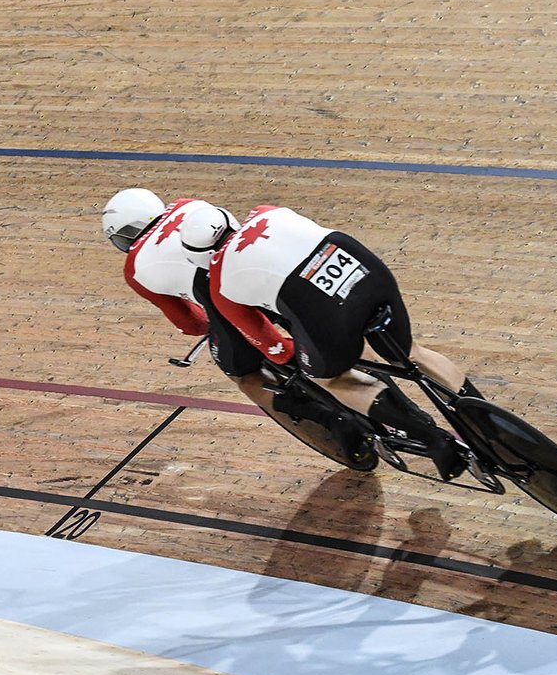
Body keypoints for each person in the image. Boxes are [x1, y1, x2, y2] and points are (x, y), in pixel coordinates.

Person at [181, 203, 478, 480]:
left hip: (326, 310)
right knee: (411, 353)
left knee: (330, 377)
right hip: (368, 273)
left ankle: (435, 440)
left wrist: (302, 354)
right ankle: (485, 425)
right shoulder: (266, 212)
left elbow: (275, 349)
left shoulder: (220, 285)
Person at [102, 189, 370, 465]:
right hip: (256, 269)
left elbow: (191, 323)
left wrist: (214, 325)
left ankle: (329, 418)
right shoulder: (188, 205)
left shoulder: (134, 268)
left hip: (222, 299)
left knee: (246, 375)